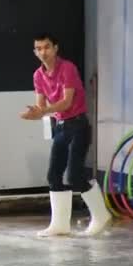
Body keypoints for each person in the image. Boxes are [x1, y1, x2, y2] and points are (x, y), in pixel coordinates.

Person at [20, 32, 111, 237]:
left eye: (47, 47)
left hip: (78, 125)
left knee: (75, 176)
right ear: (35, 52)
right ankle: (59, 225)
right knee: (53, 175)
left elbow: (67, 102)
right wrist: (33, 113)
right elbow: (41, 106)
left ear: (55, 48)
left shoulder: (67, 68)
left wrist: (42, 111)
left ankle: (101, 216)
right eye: (39, 48)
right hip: (60, 126)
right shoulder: (38, 75)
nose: (43, 52)